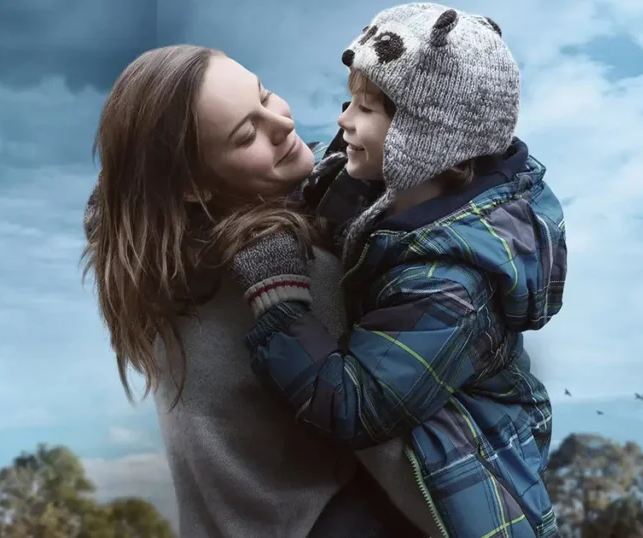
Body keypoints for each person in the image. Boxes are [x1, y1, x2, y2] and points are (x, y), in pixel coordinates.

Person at [230, 4, 568, 538]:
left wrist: (280, 299)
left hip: (461, 484)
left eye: (366, 108)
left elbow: (355, 404)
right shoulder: (382, 181)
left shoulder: (451, 283)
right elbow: (312, 181)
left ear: (428, 136)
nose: (344, 120)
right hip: (405, 430)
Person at [81, 44, 436, 537]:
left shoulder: (153, 275)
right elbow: (395, 455)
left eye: (264, 96)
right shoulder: (287, 275)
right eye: (247, 133)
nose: (282, 124)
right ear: (191, 187)